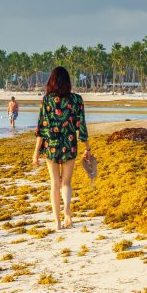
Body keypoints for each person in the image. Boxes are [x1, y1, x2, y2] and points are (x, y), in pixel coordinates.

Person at [31, 67, 90, 230]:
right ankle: (67, 213)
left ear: (52, 81)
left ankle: (57, 222)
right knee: (66, 183)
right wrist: (87, 147)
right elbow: (81, 125)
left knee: (54, 183)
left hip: (52, 145)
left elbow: (42, 127)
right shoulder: (77, 99)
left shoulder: (47, 100)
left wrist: (36, 151)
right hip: (69, 144)